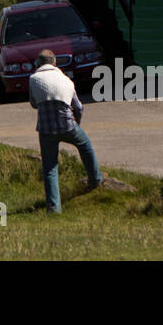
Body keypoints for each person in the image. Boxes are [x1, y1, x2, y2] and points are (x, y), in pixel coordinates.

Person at [29, 49, 102, 211]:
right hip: (67, 124)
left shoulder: (33, 79)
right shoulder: (66, 80)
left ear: (38, 64)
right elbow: (78, 107)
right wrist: (77, 123)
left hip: (46, 128)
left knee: (50, 167)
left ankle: (54, 208)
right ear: (55, 63)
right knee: (85, 145)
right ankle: (95, 179)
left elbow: (34, 103)